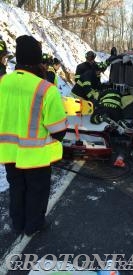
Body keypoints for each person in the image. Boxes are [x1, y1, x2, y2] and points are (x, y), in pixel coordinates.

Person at [0, 35, 67, 236]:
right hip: (36, 157)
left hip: (9, 153)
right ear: (38, 60)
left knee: (17, 189)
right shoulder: (46, 89)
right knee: (36, 193)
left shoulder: (2, 82)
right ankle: (34, 226)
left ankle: (18, 223)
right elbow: (58, 130)